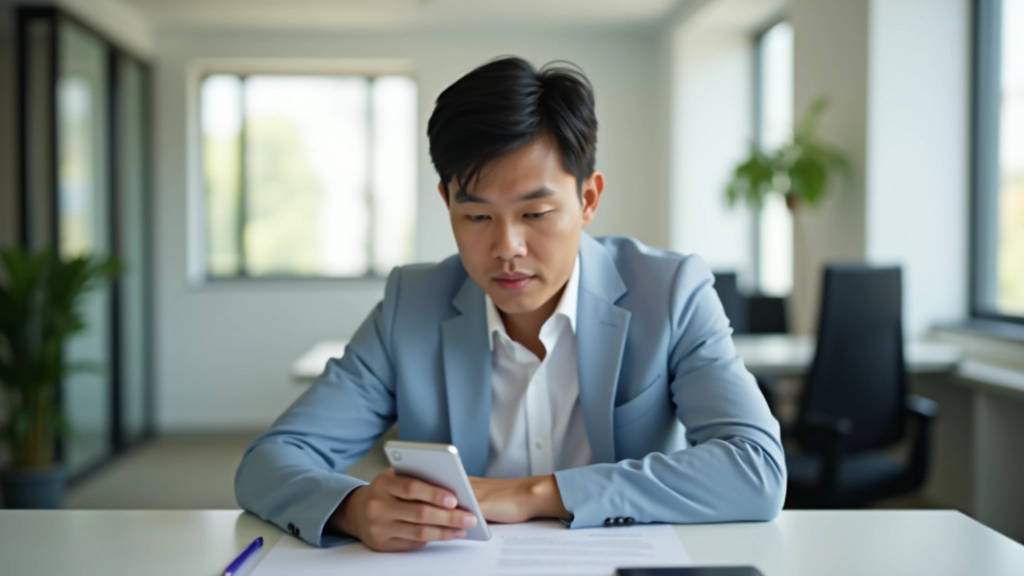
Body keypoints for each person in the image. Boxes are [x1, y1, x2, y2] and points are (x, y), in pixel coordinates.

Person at [235, 56, 785, 552]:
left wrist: (535, 494)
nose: (506, 249)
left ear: (587, 198)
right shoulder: (413, 306)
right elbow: (269, 462)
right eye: (476, 217)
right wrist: (354, 509)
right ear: (446, 202)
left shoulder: (669, 292)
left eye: (536, 214)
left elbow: (756, 470)